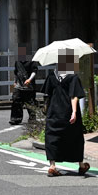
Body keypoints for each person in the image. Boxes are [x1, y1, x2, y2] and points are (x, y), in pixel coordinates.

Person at [44, 49, 89, 177]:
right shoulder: (73, 77)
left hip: (53, 113)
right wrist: (74, 112)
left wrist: (46, 109)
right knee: (75, 138)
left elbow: (47, 95)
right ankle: (81, 165)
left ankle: (52, 166)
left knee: (52, 137)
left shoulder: (51, 76)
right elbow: (74, 96)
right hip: (68, 112)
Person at [9, 59, 38, 125]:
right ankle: (15, 119)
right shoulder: (17, 61)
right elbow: (16, 72)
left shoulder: (32, 61)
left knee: (30, 102)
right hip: (19, 85)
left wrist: (29, 79)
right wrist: (15, 81)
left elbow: (34, 71)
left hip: (29, 86)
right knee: (16, 101)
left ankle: (32, 119)